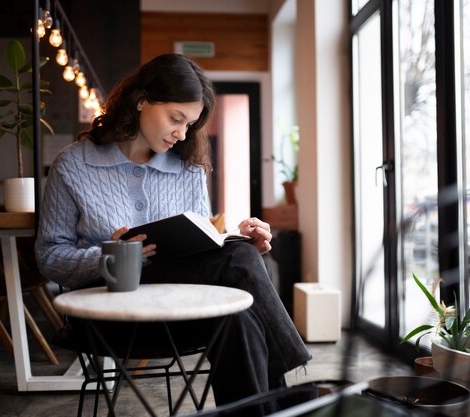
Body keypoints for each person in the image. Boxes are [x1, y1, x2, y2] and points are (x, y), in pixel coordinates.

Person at [35, 53, 312, 415]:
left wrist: (237, 239)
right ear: (141, 100)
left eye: (190, 124)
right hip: (110, 317)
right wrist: (111, 257)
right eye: (175, 118)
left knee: (240, 309)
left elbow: (199, 247)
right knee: (240, 269)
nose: (182, 133)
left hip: (180, 313)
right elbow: (49, 258)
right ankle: (295, 399)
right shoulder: (74, 165)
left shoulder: (188, 169)